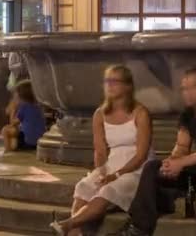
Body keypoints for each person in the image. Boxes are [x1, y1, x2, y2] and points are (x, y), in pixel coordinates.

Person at [110, 68, 196, 236]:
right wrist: (172, 163)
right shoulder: (188, 115)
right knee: (152, 167)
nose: (186, 93)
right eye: (184, 88)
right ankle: (139, 228)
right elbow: (181, 147)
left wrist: (182, 162)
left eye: (192, 87)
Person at [50, 65, 154, 236]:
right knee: (85, 186)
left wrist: (117, 175)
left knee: (108, 190)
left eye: (115, 81)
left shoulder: (140, 113)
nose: (109, 85)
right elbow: (100, 151)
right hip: (112, 164)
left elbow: (141, 155)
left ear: (128, 86)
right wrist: (101, 171)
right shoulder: (100, 114)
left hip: (136, 168)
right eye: (107, 81)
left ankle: (68, 224)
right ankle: (73, 230)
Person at [2, 80, 46, 152]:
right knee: (18, 131)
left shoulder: (24, 107)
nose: (14, 98)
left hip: (27, 143)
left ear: (21, 96)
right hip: (39, 142)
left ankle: (8, 151)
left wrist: (13, 109)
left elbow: (12, 122)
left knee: (5, 130)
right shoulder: (38, 107)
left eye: (15, 96)